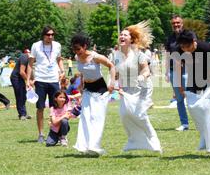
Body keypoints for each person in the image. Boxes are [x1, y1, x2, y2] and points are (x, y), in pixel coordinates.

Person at [175, 30, 210, 153]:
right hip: (193, 79)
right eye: (183, 47)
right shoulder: (181, 49)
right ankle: (204, 137)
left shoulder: (206, 47)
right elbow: (178, 65)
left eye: (188, 47)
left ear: (194, 42)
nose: (185, 50)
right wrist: (179, 85)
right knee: (193, 108)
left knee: (207, 110)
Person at [114, 21, 162, 154]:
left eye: (125, 35)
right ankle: (133, 141)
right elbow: (117, 73)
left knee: (139, 115)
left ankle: (153, 139)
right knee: (125, 115)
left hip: (142, 88)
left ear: (131, 39)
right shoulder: (117, 55)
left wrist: (141, 77)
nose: (122, 37)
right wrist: (114, 83)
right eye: (121, 35)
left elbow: (146, 71)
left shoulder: (139, 54)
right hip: (126, 89)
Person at [71, 34, 116, 156]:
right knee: (85, 117)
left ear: (85, 46)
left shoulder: (95, 57)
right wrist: (81, 83)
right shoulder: (77, 57)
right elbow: (82, 71)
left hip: (100, 89)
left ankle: (94, 146)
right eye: (74, 49)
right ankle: (83, 146)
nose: (76, 52)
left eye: (78, 49)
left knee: (96, 118)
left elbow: (111, 66)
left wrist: (112, 83)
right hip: (87, 89)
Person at [27, 26, 65, 143]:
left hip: (54, 79)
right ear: (43, 35)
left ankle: (58, 134)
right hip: (40, 79)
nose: (50, 37)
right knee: (40, 107)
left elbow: (59, 59)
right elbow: (30, 63)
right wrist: (28, 80)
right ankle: (41, 134)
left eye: (52, 34)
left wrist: (63, 71)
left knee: (58, 107)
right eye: (48, 35)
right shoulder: (36, 45)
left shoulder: (57, 45)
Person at [164, 15, 189, 131]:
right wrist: (167, 72)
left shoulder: (188, 35)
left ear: (182, 23)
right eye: (174, 23)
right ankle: (184, 124)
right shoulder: (170, 39)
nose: (176, 25)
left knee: (193, 97)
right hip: (174, 72)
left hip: (188, 71)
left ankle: (202, 122)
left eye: (178, 23)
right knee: (179, 99)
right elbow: (168, 55)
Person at [11, 49, 32, 120]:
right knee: (19, 95)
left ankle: (24, 113)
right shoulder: (24, 57)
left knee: (24, 96)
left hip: (21, 78)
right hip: (16, 78)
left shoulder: (30, 60)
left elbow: (31, 71)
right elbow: (22, 72)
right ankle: (21, 114)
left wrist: (33, 80)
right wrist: (28, 81)